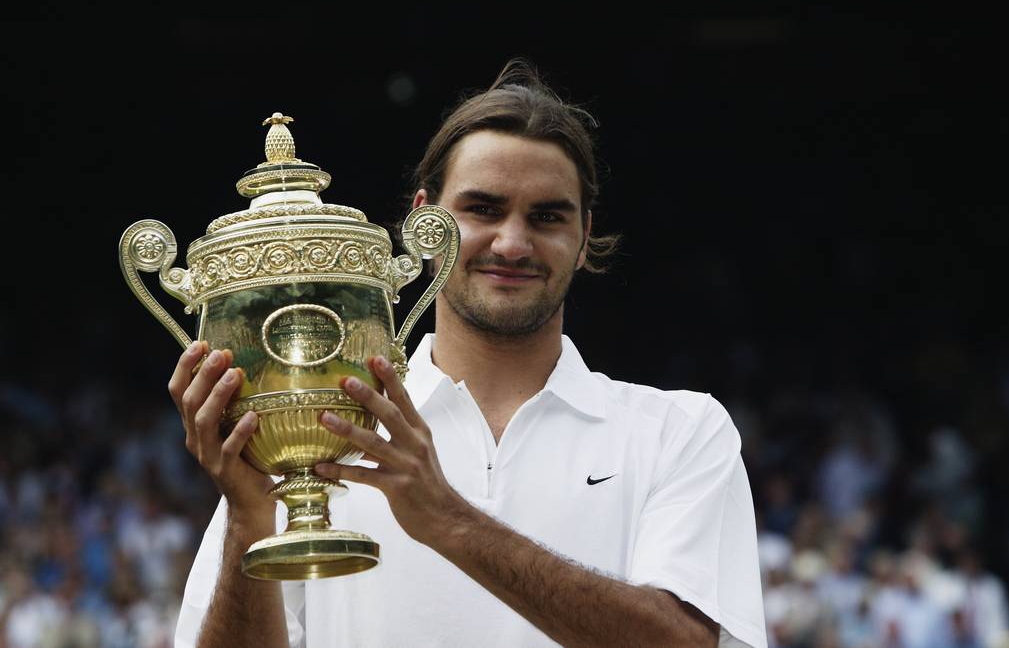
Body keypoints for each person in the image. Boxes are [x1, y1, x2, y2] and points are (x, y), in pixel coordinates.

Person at [170, 59, 767, 647]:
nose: (512, 242)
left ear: (585, 237)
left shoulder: (681, 431)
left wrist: (448, 520)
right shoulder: (320, 427)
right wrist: (250, 517)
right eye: (482, 209)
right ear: (424, 223)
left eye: (547, 217)